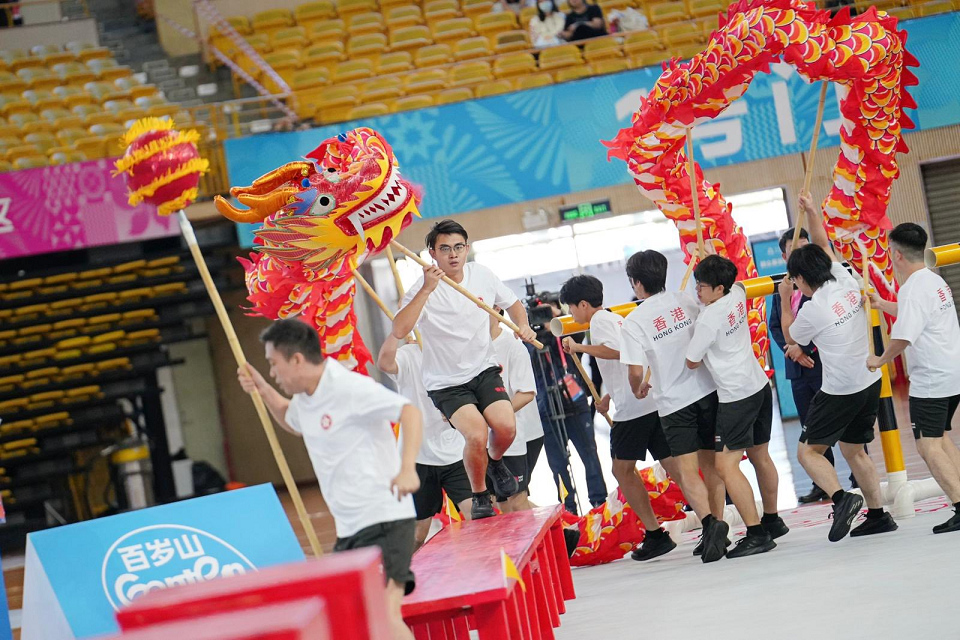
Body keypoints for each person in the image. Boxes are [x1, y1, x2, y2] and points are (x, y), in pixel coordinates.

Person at [237, 319, 421, 640]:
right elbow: (292, 420)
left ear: (296, 359)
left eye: (273, 365)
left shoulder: (348, 388)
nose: (273, 373)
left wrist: (407, 469)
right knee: (354, 620)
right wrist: (262, 389)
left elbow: (409, 412)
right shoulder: (306, 398)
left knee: (385, 615)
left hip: (385, 519)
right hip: (350, 528)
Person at [393, 219, 537, 520]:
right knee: (476, 434)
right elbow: (399, 329)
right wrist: (426, 289)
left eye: (458, 247)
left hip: (483, 370)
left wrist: (523, 325)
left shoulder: (481, 274)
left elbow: (513, 304)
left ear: (467, 248)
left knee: (506, 427)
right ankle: (480, 493)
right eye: (445, 249)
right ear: (432, 253)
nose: (453, 254)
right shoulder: (422, 288)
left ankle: (495, 461)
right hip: (445, 383)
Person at [778, 192, 897, 542]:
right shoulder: (843, 277)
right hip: (869, 380)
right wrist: (812, 212)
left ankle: (843, 499)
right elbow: (822, 244)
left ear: (801, 279)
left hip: (840, 390)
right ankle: (878, 516)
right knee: (853, 449)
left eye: (795, 281)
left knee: (807, 452)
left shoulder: (812, 309)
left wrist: (784, 300)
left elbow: (792, 336)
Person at [618, 250, 729, 563]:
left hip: (674, 403)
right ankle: (717, 527)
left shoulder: (634, 321)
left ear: (637, 283)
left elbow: (635, 370)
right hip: (708, 390)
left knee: (687, 470)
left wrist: (637, 388)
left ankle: (710, 525)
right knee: (711, 466)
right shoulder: (687, 300)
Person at [559, 274, 679, 562]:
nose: (570, 314)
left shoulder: (600, 322)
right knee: (674, 466)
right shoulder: (614, 318)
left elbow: (618, 353)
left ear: (583, 304)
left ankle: (655, 533)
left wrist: (579, 348)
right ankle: (710, 520)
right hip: (647, 403)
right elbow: (627, 362)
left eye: (571, 308)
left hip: (633, 411)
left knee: (622, 471)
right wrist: (608, 397)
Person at [685, 255, 790, 558]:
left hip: (736, 396)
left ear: (719, 288)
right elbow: (740, 282)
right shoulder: (738, 293)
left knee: (725, 466)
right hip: (759, 386)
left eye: (702, 286)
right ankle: (772, 520)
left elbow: (691, 361)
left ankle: (756, 534)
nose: (697, 291)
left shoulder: (708, 318)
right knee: (760, 455)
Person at [866, 223, 960, 534]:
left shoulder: (912, 288)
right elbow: (914, 314)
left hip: (932, 378)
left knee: (927, 446)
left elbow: (904, 337)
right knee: (940, 438)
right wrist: (882, 304)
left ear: (896, 254)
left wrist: (879, 360)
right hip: (952, 371)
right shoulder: (933, 280)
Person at [770, 227, 858, 503]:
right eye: (793, 250)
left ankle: (857, 477)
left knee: (845, 425)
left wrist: (804, 347)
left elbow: (828, 322)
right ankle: (823, 483)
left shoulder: (825, 282)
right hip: (798, 370)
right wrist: (793, 352)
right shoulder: (783, 287)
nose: (800, 252)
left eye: (804, 246)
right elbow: (776, 326)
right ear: (784, 256)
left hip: (824, 364)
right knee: (811, 427)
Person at [377, 335, 472, 548]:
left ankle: (490, 564)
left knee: (475, 514)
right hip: (419, 455)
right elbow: (384, 363)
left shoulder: (453, 351)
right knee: (418, 533)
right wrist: (396, 333)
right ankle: (403, 569)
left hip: (455, 451)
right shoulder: (409, 354)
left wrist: (459, 408)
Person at [531, 299, 608, 512]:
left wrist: (559, 322)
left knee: (590, 454)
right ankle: (569, 509)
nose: (545, 318)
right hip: (546, 406)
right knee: (558, 465)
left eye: (549, 311)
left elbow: (579, 337)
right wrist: (531, 333)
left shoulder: (566, 332)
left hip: (575, 402)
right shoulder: (528, 340)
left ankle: (599, 502)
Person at [490, 307, 544, 512]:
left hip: (524, 434)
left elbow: (527, 393)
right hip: (493, 435)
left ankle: (557, 528)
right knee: (502, 501)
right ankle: (560, 527)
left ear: (496, 309)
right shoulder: (472, 348)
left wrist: (495, 416)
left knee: (516, 498)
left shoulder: (512, 345)